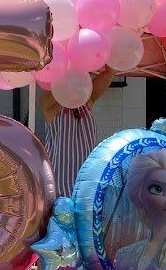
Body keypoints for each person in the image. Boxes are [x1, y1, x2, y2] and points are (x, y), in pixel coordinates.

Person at [41, 66, 115, 197]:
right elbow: (51, 95)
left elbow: (110, 72)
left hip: (85, 191)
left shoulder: (85, 102)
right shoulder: (53, 107)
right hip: (59, 194)